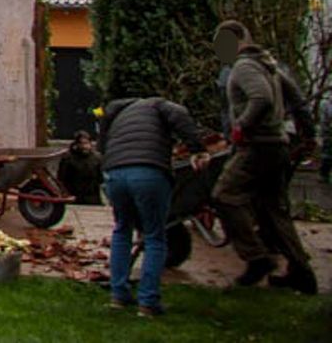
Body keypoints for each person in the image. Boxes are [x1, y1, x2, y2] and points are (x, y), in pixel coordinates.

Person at [210, 21, 318, 294]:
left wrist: (240, 126)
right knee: (273, 211)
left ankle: (257, 258)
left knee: (224, 195)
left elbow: (261, 99)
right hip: (277, 146)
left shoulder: (244, 66)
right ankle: (302, 273)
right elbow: (297, 99)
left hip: (257, 146)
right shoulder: (268, 65)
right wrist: (308, 134)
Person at [98, 94, 215, 317]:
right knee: (154, 236)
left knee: (122, 230)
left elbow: (102, 144)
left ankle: (118, 296)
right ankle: (148, 302)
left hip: (114, 173)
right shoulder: (159, 105)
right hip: (148, 172)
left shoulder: (115, 112)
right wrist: (197, 149)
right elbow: (180, 115)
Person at [57, 131, 103, 206]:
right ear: (77, 144)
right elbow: (61, 178)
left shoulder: (97, 158)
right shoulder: (68, 158)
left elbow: (101, 179)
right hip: (74, 197)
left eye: (86, 143)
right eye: (82, 143)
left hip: (93, 198)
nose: (84, 146)